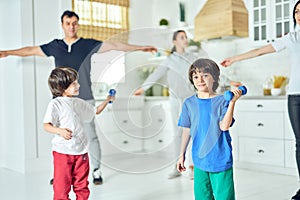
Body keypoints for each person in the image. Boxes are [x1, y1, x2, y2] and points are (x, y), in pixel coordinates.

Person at [0, 10, 157, 185]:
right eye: (68, 23)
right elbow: (31, 50)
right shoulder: (55, 45)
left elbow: (115, 46)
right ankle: (61, 172)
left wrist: (141, 47)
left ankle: (96, 171)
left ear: (78, 24)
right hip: (61, 100)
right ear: (62, 25)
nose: (71, 26)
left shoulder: (87, 44)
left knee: (91, 135)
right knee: (61, 136)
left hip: (84, 97)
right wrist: (8, 52)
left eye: (74, 23)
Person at [220, 1, 300, 199]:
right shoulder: (291, 38)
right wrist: (234, 59)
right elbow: (259, 51)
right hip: (295, 97)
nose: (299, 14)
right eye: (297, 11)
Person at [134, 30, 207, 179]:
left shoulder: (192, 58)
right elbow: (156, 74)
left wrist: (225, 81)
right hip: (174, 99)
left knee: (193, 133)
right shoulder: (169, 60)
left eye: (186, 37)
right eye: (182, 37)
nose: (185, 39)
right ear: (175, 42)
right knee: (178, 133)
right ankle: (177, 166)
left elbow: (206, 72)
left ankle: (194, 168)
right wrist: (144, 87)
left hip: (191, 99)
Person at [44, 67, 115, 200]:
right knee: (61, 187)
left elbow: (95, 111)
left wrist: (107, 100)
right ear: (62, 87)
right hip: (63, 152)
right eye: (74, 83)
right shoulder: (55, 104)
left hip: (81, 152)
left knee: (82, 186)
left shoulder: (78, 103)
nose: (79, 85)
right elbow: (46, 125)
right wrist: (59, 131)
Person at [176, 58, 242, 200]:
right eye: (195, 76)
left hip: (220, 159)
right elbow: (186, 130)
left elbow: (224, 126)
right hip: (199, 161)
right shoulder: (189, 103)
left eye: (205, 75)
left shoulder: (222, 101)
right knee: (202, 197)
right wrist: (181, 154)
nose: (200, 79)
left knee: (224, 197)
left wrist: (231, 104)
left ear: (215, 78)